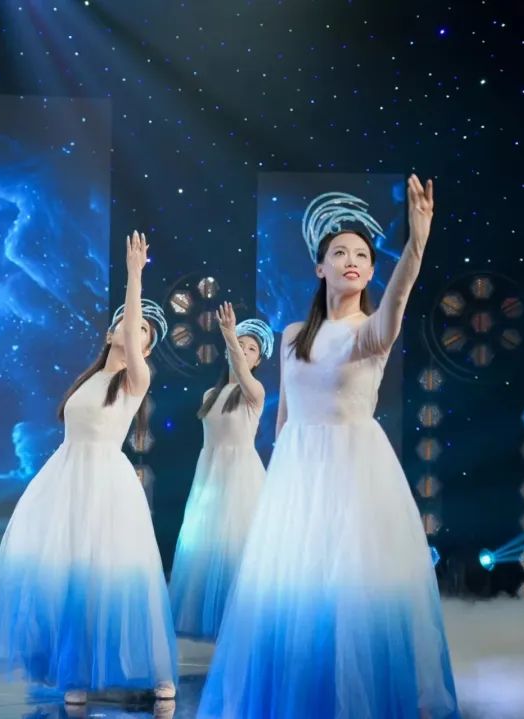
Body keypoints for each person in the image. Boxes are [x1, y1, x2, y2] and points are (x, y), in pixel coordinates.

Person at [198, 177, 460, 718]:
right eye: (339, 252)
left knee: (350, 590)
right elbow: (286, 412)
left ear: (371, 270)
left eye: (361, 255)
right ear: (320, 267)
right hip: (297, 472)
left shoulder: (371, 332)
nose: (351, 261)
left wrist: (416, 243)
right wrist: (277, 478)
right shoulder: (293, 335)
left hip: (353, 469)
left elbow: (399, 296)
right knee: (295, 593)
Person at [0, 231, 178, 705]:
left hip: (105, 481)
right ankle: (76, 672)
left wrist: (134, 275)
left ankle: (157, 674)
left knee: (111, 573)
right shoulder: (90, 380)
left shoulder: (136, 379)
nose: (134, 333)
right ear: (109, 333)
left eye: (144, 333)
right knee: (69, 573)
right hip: (66, 478)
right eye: (129, 326)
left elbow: (134, 336)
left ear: (146, 349)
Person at [167, 305, 271, 641]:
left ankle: (244, 620)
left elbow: (240, 370)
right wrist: (231, 339)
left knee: (238, 543)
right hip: (211, 475)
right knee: (207, 544)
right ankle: (211, 617)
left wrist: (229, 335)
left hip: (241, 476)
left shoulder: (255, 393)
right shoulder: (211, 395)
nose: (243, 351)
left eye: (251, 348)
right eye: (240, 344)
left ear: (257, 361)